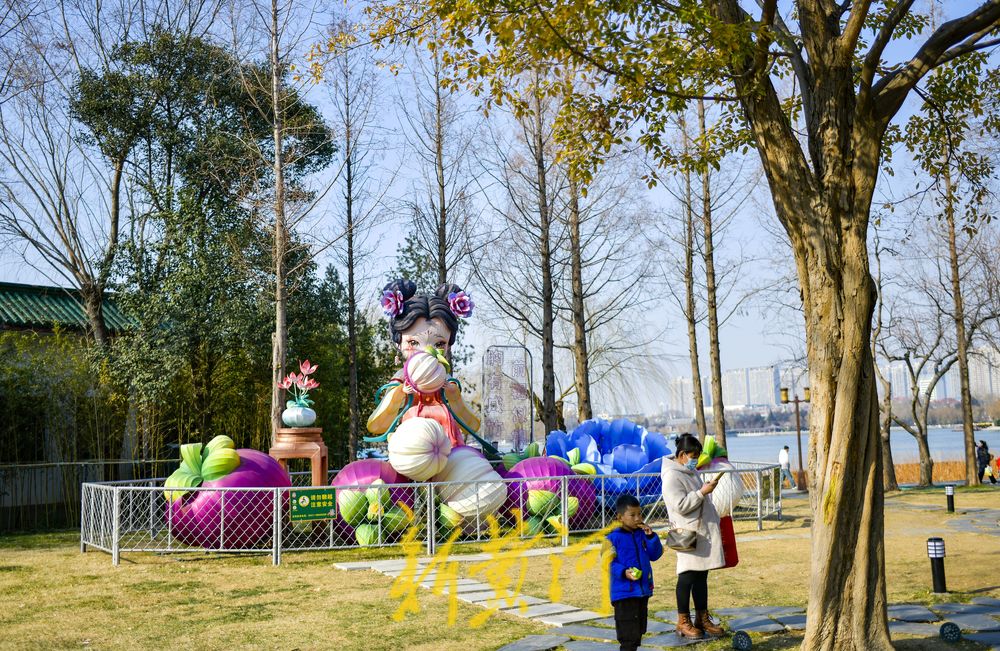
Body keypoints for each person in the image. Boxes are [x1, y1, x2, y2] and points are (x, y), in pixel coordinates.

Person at [365, 279, 482, 448]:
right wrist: (400, 393)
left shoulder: (443, 377)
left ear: (448, 345)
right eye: (413, 343)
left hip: (445, 432)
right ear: (399, 343)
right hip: (413, 432)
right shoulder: (402, 378)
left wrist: (453, 394)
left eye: (439, 344)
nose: (427, 351)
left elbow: (471, 424)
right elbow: (377, 424)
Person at [661, 434, 726, 639]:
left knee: (701, 576)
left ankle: (702, 617)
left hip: (701, 532)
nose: (695, 460)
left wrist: (704, 490)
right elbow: (679, 505)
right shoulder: (672, 476)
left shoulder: (689, 472)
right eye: (693, 456)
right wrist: (701, 492)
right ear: (682, 455)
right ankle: (683, 620)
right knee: (687, 576)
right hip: (688, 533)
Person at [604, 494, 664, 651]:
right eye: (632, 515)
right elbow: (607, 562)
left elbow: (655, 555)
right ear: (620, 517)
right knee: (628, 637)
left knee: (638, 633)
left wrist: (651, 537)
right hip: (624, 594)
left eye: (640, 514)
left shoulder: (643, 535)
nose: (638, 518)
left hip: (642, 592)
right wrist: (624, 572)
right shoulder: (611, 539)